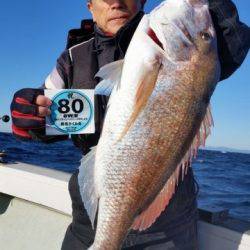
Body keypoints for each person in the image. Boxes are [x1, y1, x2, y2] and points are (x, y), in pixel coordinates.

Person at [10, 0, 249, 249]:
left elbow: (232, 42)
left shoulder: (191, 48)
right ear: (90, 6)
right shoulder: (73, 57)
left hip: (167, 230)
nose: (115, 2)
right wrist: (30, 115)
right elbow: (47, 111)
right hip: (88, 223)